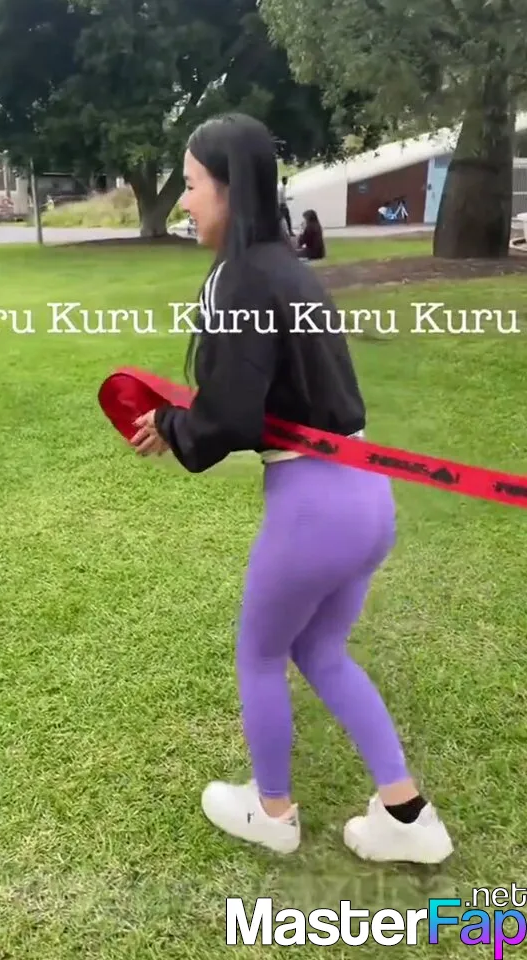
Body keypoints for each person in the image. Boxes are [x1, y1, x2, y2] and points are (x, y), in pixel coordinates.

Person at [130, 112, 453, 864]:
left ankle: (271, 811)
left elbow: (232, 414)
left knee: (260, 656)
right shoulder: (289, 267)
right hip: (368, 496)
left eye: (191, 185)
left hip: (315, 506)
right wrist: (183, 420)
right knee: (322, 650)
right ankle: (407, 817)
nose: (185, 201)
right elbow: (261, 393)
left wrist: (176, 427)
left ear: (228, 188)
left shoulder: (238, 276)